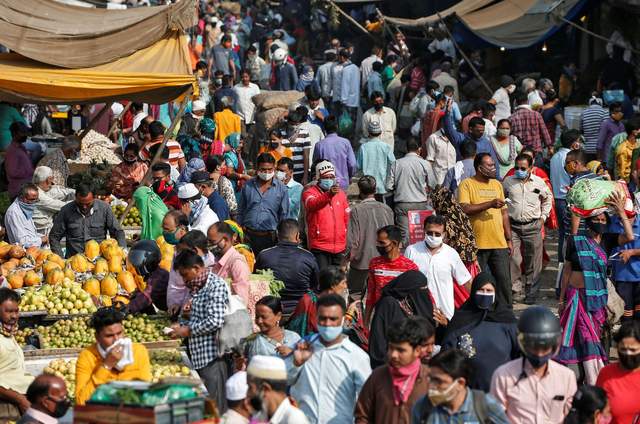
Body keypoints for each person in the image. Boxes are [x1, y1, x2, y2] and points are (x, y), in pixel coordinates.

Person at [557, 211, 622, 384]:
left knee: (591, 335)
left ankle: (595, 380)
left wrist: (621, 212)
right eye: (596, 219)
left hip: (596, 300)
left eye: (603, 220)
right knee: (577, 336)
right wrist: (562, 299)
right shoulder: (575, 240)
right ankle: (578, 376)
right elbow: (567, 272)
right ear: (588, 221)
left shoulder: (607, 240)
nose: (600, 222)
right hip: (574, 297)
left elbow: (629, 236)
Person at [291, 294, 371, 424]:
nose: (328, 324)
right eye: (323, 318)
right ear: (316, 318)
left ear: (343, 319)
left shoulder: (357, 357)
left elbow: (366, 399)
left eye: (333, 319)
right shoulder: (302, 347)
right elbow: (285, 382)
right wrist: (296, 364)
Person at [491, 306, 577, 424]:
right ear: (523, 344)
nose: (540, 353)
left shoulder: (567, 377)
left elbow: (570, 417)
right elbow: (496, 418)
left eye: (545, 347)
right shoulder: (503, 375)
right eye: (534, 346)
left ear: (554, 345)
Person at [170, 250, 230, 412]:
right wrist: (182, 322)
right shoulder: (196, 286)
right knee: (205, 406)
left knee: (214, 406)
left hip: (212, 358)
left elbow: (215, 321)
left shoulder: (215, 286)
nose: (184, 280)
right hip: (198, 355)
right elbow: (195, 315)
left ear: (196, 268)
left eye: (185, 274)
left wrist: (187, 331)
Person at [442, 272, 518, 391]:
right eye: (481, 290)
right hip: (467, 393)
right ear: (473, 292)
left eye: (489, 291)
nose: (485, 294)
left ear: (495, 293)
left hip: (502, 391)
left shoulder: (508, 321)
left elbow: (519, 355)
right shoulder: (460, 320)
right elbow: (447, 354)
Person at [458, 153, 512, 306]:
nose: (493, 168)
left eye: (494, 165)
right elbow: (465, 208)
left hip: (499, 243)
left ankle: (506, 313)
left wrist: (509, 238)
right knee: (476, 282)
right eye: (489, 165)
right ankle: (476, 311)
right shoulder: (467, 184)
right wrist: (489, 204)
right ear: (479, 168)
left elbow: (504, 213)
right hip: (477, 244)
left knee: (503, 282)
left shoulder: (496, 184)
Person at [355, 317, 431, 424]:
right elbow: (363, 415)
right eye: (391, 348)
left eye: (401, 350)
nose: (393, 355)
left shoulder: (430, 380)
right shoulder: (378, 377)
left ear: (417, 351)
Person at [75, 308, 151, 405]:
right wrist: (106, 366)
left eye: (119, 333)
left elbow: (145, 392)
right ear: (97, 337)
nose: (116, 340)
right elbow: (81, 402)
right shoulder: (87, 356)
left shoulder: (138, 351)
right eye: (109, 336)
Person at [503, 153, 552, 304]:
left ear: (531, 168)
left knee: (533, 262)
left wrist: (543, 218)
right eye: (516, 167)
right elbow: (502, 199)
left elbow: (548, 199)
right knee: (514, 259)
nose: (519, 170)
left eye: (523, 168)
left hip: (533, 226)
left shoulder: (539, 183)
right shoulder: (508, 182)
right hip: (513, 226)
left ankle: (531, 293)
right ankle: (515, 291)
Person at [412, 349, 509, 423]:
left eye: (438, 381)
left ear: (460, 383)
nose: (431, 386)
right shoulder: (423, 406)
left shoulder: (485, 405)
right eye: (430, 379)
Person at [405, 214, 472, 320]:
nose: (433, 236)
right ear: (424, 231)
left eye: (437, 234)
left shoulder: (451, 253)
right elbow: (404, 281)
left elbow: (466, 281)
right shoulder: (411, 251)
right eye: (430, 233)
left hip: (445, 315)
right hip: (418, 314)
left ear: (444, 234)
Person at [368, 270, 437, 369]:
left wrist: (444, 324)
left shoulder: (415, 306)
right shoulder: (389, 305)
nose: (424, 292)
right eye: (421, 289)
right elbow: (379, 344)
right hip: (392, 368)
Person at [255, 219, 319, 314]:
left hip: (272, 311)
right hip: (300, 311)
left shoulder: (264, 255)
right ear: (297, 236)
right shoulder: (308, 257)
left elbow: (257, 284)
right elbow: (316, 285)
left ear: (277, 234)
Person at [346, 176, 394, 294]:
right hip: (384, 261)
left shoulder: (356, 210)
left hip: (362, 262)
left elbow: (353, 241)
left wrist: (346, 261)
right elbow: (393, 236)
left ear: (360, 191)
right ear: (375, 189)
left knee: (355, 295)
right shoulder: (387, 209)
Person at [49, 183, 126, 258]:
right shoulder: (66, 211)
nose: (84, 207)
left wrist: (121, 253)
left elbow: (117, 232)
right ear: (75, 198)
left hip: (100, 262)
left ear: (95, 198)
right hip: (74, 261)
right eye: (80, 204)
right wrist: (60, 258)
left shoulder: (104, 209)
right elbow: (54, 237)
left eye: (88, 204)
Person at [238, 153, 289, 255]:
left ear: (274, 168)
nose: (266, 172)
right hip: (248, 236)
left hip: (270, 238)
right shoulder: (248, 186)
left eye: (270, 169)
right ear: (257, 168)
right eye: (263, 169)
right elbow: (241, 210)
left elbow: (284, 215)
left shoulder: (282, 189)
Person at [302, 160, 349, 271]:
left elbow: (346, 218)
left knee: (337, 283)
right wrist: (329, 194)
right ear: (318, 178)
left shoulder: (341, 194)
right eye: (325, 177)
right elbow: (312, 205)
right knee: (322, 281)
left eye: (331, 177)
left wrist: (344, 236)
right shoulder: (309, 192)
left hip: (339, 247)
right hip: (320, 246)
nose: (329, 180)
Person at [241, 296, 301, 383]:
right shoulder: (251, 340)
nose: (259, 321)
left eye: (264, 317)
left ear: (278, 316)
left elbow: (304, 366)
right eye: (257, 317)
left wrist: (292, 354)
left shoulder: (294, 338)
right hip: (263, 392)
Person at [367, 225, 419, 320]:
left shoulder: (410, 267)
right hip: (380, 316)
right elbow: (371, 293)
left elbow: (418, 297)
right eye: (377, 242)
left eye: (382, 243)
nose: (378, 246)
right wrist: (366, 321)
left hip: (402, 320)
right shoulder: (374, 263)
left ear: (394, 243)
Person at [385, 138, 431, 244]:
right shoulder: (425, 164)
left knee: (404, 235)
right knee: (420, 234)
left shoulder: (396, 163)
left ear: (406, 149)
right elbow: (432, 184)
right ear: (419, 149)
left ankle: (406, 257)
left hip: (402, 205)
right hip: (421, 204)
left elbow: (388, 186)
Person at [286, 266, 349, 338]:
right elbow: (297, 329)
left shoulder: (339, 302)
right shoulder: (308, 300)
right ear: (333, 285)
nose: (345, 286)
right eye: (343, 283)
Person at [597, 321, 640, 423]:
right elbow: (597, 411)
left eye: (633, 350)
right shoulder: (606, 373)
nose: (628, 353)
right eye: (623, 349)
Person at [442, 100, 499, 177]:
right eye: (478, 130)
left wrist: (497, 178)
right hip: (464, 177)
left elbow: (494, 162)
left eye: (483, 130)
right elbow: (449, 131)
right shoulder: (461, 139)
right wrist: (447, 113)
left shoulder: (486, 143)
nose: (481, 133)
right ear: (470, 129)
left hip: (482, 179)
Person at [0, 289, 34, 419]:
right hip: (6, 407)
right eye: (8, 311)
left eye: (16, 311)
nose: (14, 316)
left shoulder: (8, 334)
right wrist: (20, 399)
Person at [246, 355, 309, 424]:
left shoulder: (294, 419)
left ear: (265, 389)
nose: (247, 394)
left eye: (250, 388)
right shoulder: (259, 417)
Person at [550, 129, 583, 257]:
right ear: (573, 143)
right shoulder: (570, 158)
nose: (579, 144)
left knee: (563, 233)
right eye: (578, 141)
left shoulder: (555, 157)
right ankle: (567, 261)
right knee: (571, 233)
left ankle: (561, 261)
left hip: (557, 198)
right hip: (567, 199)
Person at [166, 226, 214, 314]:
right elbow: (181, 288)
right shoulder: (188, 264)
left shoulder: (211, 272)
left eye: (184, 252)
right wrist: (176, 304)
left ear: (194, 251)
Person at [208, 221, 250, 303]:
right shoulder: (216, 259)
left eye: (212, 242)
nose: (209, 245)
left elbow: (241, 299)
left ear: (226, 240)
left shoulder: (237, 263)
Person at [509, 91, 552, 167]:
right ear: (527, 101)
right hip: (536, 153)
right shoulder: (536, 115)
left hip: (521, 155)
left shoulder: (511, 118)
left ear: (516, 102)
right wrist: (550, 147)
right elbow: (545, 133)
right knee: (538, 176)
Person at [312, 116, 356, 191]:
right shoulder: (345, 142)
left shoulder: (319, 145)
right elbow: (352, 164)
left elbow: (315, 165)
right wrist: (350, 176)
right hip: (342, 183)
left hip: (325, 184)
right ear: (337, 127)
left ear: (324, 128)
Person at [126, 240, 169, 314]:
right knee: (137, 296)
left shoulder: (160, 276)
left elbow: (146, 297)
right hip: (166, 308)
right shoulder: (152, 274)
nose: (136, 264)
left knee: (141, 299)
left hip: (175, 310)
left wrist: (127, 309)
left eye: (139, 259)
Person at [357, 120, 395, 199]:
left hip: (368, 187)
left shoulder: (363, 147)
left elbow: (358, 166)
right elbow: (393, 164)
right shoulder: (386, 147)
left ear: (368, 133)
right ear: (380, 133)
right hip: (382, 186)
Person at [31, 166, 74, 237]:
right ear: (48, 180)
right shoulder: (37, 194)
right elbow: (63, 206)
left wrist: (77, 192)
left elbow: (60, 192)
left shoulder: (39, 188)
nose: (52, 182)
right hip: (40, 233)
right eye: (51, 179)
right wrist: (80, 200)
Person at [4, 183, 44, 248]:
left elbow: (31, 234)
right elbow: (21, 242)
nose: (34, 202)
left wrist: (42, 237)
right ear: (23, 198)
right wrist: (41, 240)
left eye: (36, 200)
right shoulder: (14, 212)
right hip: (22, 253)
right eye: (32, 199)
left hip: (33, 250)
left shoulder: (25, 209)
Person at [5, 122, 35, 199]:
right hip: (18, 191)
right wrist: (29, 172)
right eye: (22, 132)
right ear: (15, 134)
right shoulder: (13, 151)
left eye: (25, 132)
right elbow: (12, 172)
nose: (25, 135)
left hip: (24, 189)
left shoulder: (21, 148)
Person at [284, 111, 312, 184]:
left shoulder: (304, 133)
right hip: (285, 172)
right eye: (292, 124)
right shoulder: (281, 133)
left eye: (297, 124)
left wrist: (305, 176)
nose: (295, 126)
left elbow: (306, 156)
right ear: (288, 122)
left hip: (300, 172)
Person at [233, 69, 261, 133]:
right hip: (240, 117)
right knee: (243, 136)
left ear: (249, 77)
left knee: (251, 137)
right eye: (243, 77)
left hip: (252, 117)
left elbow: (259, 101)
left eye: (246, 77)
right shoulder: (236, 88)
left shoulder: (255, 87)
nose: (245, 79)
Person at [615, 118, 640, 182]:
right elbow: (622, 172)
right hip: (629, 181)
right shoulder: (623, 149)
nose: (639, 131)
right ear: (633, 131)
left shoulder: (637, 144)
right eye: (638, 129)